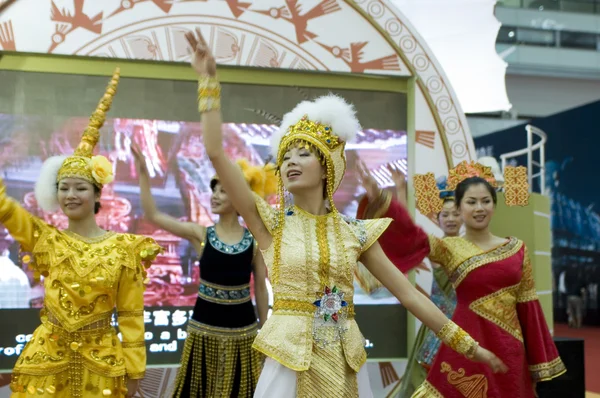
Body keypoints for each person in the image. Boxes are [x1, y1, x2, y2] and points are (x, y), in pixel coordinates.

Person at [186, 28, 507, 397]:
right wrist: (208, 83)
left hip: (344, 364)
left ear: (326, 168)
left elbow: (411, 295)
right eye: (285, 156)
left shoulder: (355, 233)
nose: (290, 161)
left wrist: (469, 346)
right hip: (289, 365)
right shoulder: (270, 222)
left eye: (302, 154)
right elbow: (216, 153)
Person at [5, 69, 162, 398]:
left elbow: (132, 314)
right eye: (64, 188)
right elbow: (7, 209)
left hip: (101, 367)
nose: (71, 195)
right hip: (47, 360)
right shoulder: (45, 238)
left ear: (97, 194)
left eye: (80, 187)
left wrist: (135, 369)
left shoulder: (125, 249)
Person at [356, 161, 566, 397]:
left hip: (510, 350)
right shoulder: (449, 247)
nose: (479, 208)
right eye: (471, 202)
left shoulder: (518, 249)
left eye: (485, 201)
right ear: (460, 207)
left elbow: (529, 307)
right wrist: (379, 198)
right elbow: (408, 236)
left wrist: (538, 365)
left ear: (494, 205)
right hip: (463, 344)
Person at [131, 144, 271, 397]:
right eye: (214, 190)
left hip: (244, 332)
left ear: (240, 198)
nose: (215, 196)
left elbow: (260, 286)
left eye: (224, 191)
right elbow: (152, 215)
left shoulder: (254, 241)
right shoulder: (200, 234)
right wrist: (143, 173)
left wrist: (266, 331)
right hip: (203, 329)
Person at [357, 172, 463, 398]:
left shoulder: (477, 249)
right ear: (438, 218)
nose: (452, 218)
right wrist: (398, 190)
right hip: (436, 330)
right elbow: (404, 231)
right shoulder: (436, 247)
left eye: (456, 213)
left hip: (468, 327)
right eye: (446, 214)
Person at [564, 263, 586, 328]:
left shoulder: (568, 276)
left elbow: (566, 285)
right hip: (577, 297)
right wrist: (583, 298)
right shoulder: (580, 279)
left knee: (571, 312)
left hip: (569, 296)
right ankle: (579, 325)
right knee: (578, 312)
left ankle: (574, 324)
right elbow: (583, 290)